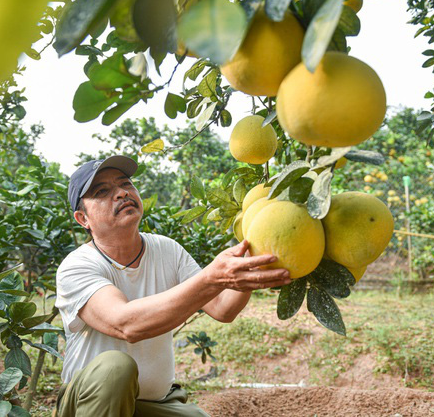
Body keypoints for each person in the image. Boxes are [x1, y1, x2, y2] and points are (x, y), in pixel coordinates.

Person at [54, 156, 291, 416]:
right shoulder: (76, 266)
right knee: (114, 368)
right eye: (102, 191)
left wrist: (250, 259)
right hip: (88, 404)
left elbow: (223, 308)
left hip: (155, 404)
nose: (122, 193)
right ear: (82, 219)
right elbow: (126, 323)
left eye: (126, 184)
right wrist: (213, 277)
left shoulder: (166, 250)